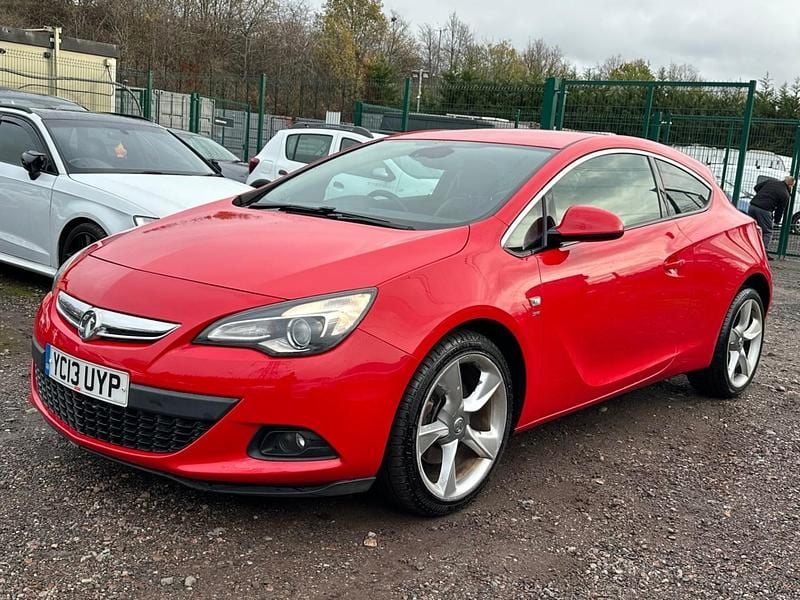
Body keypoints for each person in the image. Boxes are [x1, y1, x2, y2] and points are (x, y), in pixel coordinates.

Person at [747, 176, 795, 253]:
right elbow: (780, 210)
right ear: (790, 185)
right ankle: (762, 252)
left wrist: (761, 195)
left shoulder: (771, 182)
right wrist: (776, 220)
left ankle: (747, 248)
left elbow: (756, 187)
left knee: (752, 228)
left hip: (753, 206)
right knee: (767, 232)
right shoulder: (785, 194)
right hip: (765, 210)